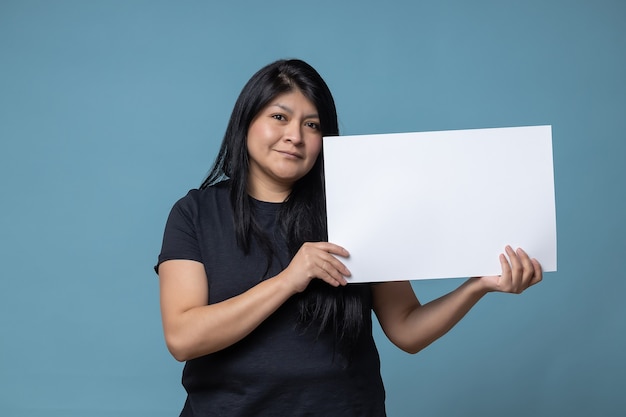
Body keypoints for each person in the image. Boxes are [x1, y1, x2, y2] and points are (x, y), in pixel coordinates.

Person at [155, 58, 542, 417]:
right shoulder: (195, 213)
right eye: (279, 116)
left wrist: (476, 286)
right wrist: (289, 279)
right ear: (246, 122)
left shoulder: (359, 209)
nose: (295, 135)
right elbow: (183, 338)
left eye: (313, 124)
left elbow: (406, 329)